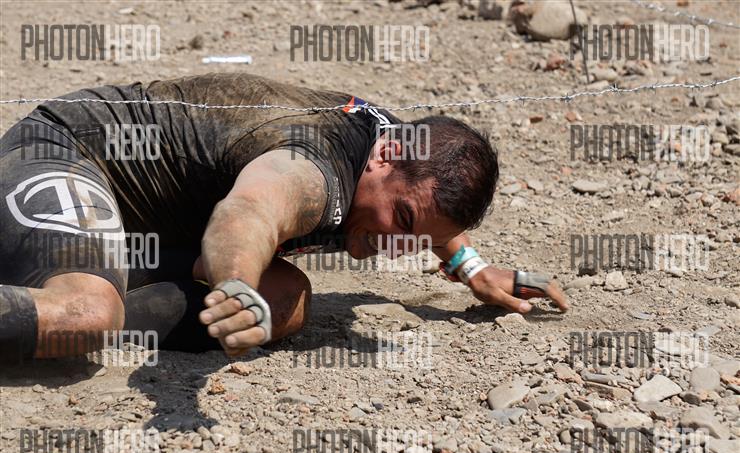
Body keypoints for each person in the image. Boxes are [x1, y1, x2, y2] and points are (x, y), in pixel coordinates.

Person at [0, 73, 568, 361]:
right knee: (86, 314)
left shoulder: (400, 153)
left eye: (415, 240)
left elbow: (428, 211)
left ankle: (63, 284)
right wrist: (234, 285)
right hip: (69, 151)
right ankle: (72, 298)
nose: (395, 245)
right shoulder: (313, 168)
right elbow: (250, 212)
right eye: (399, 221)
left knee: (286, 301)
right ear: (387, 155)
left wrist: (471, 267)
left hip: (137, 225)